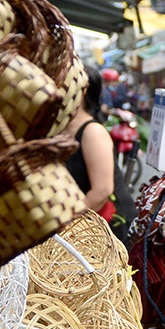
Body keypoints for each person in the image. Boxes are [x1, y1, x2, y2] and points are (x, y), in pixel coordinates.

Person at [63, 64, 116, 218]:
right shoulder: (61, 129)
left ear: (81, 92)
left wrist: (68, 222)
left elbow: (102, 191)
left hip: (102, 226)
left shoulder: (93, 132)